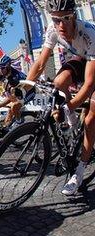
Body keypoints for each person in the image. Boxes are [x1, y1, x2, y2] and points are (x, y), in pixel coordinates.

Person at [26, 0, 95, 195]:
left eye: (66, 18)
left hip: (93, 60)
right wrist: (24, 89)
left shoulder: (89, 34)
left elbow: (89, 84)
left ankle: (79, 172)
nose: (61, 25)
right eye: (56, 19)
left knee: (91, 118)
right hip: (81, 58)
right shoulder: (53, 29)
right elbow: (40, 64)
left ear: (74, 15)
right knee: (58, 82)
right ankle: (72, 123)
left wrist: (70, 105)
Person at [0, 55, 35, 129]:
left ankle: (19, 122)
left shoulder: (15, 78)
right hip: (19, 93)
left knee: (14, 106)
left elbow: (12, 98)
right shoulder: (4, 73)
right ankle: (5, 131)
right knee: (10, 112)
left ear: (8, 66)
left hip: (29, 91)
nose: (0, 70)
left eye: (2, 68)